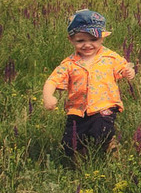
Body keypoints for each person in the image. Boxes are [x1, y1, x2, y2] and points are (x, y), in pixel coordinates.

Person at [42, 9, 136, 159]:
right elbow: (52, 80)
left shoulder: (110, 57)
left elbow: (124, 68)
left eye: (93, 40)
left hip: (104, 106)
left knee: (102, 130)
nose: (87, 45)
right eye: (80, 41)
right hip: (77, 110)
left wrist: (128, 72)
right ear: (71, 40)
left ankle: (110, 150)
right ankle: (80, 164)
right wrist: (48, 97)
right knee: (70, 144)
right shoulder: (69, 64)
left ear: (102, 38)